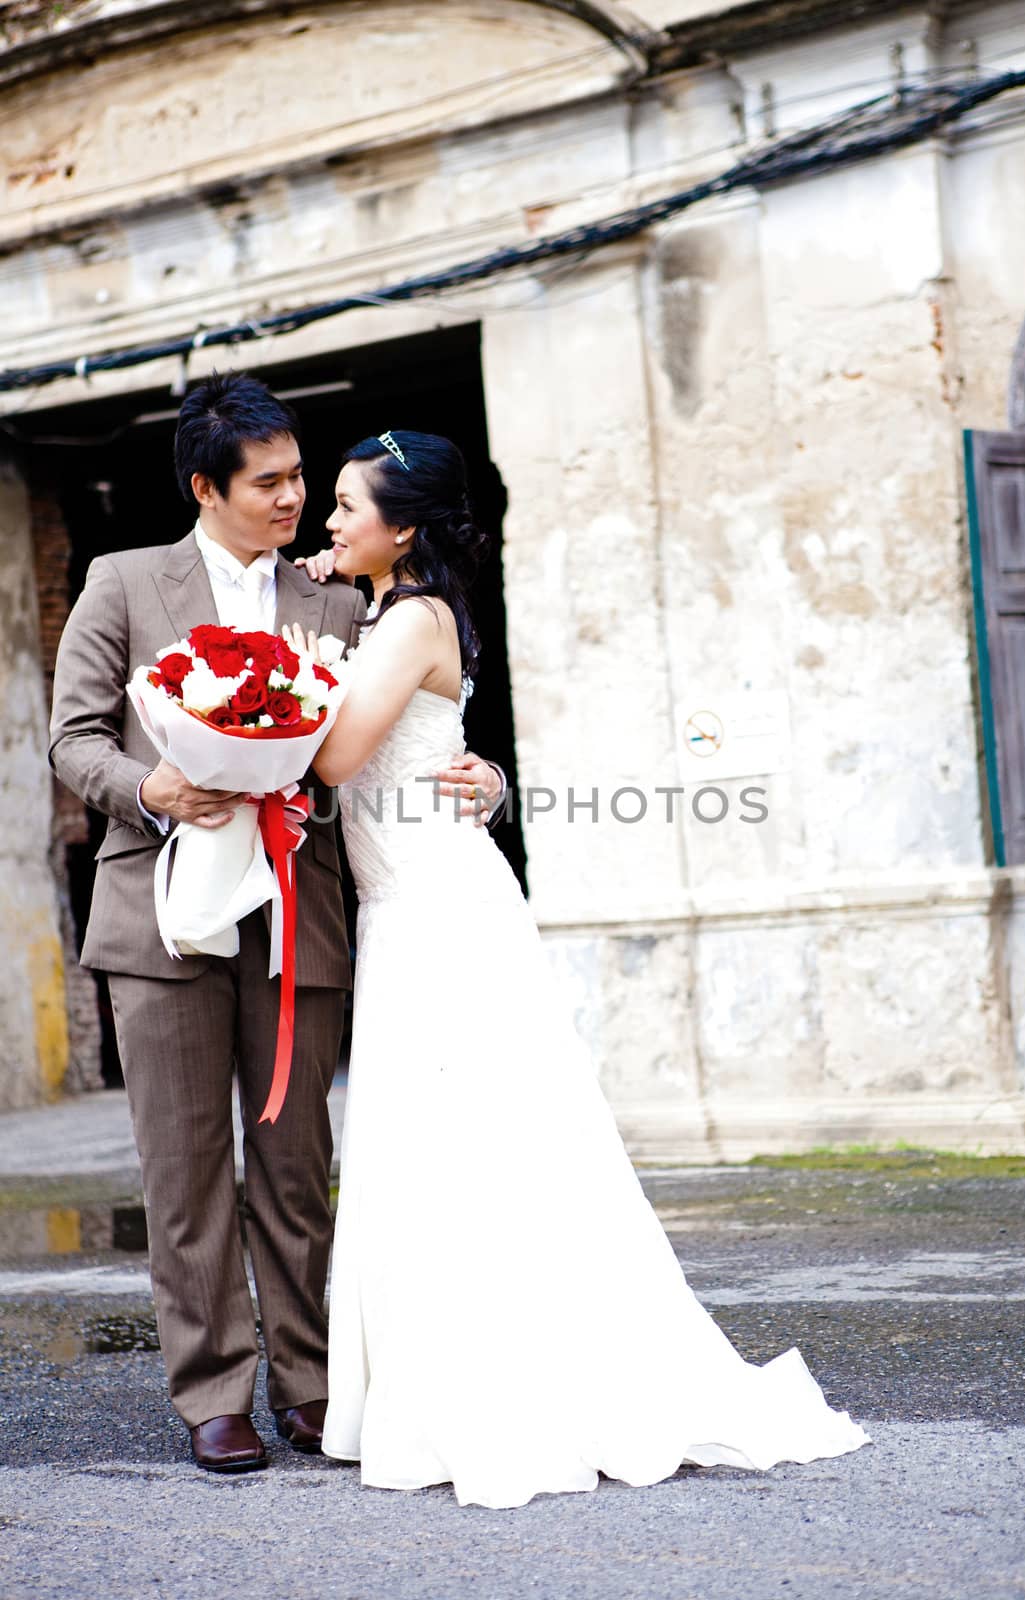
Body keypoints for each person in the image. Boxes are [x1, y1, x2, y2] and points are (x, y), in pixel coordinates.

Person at [290, 429, 871, 1509]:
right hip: (407, 902)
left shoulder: (411, 617)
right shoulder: (392, 612)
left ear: (401, 526)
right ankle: (441, 1378)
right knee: (448, 1141)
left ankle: (507, 1386)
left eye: (342, 505)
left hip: (436, 910)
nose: (326, 522)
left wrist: (274, 693)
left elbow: (332, 757)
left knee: (474, 1143)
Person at [48, 376, 504, 1474]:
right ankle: (214, 1390)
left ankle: (309, 1382)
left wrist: (476, 772)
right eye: (270, 481)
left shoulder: (339, 599)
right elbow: (71, 739)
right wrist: (152, 788)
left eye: (303, 476)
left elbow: (404, 719)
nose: (296, 497)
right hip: (160, 917)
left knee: (297, 1160)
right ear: (207, 487)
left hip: (303, 912)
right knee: (185, 1162)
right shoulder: (120, 583)